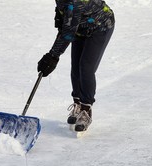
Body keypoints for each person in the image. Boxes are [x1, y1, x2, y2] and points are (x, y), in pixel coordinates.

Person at [38, 0, 115, 132]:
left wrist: (52, 56)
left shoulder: (74, 2)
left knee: (86, 68)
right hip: (81, 27)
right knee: (75, 68)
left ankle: (86, 109)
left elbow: (68, 34)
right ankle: (77, 103)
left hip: (100, 26)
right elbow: (66, 25)